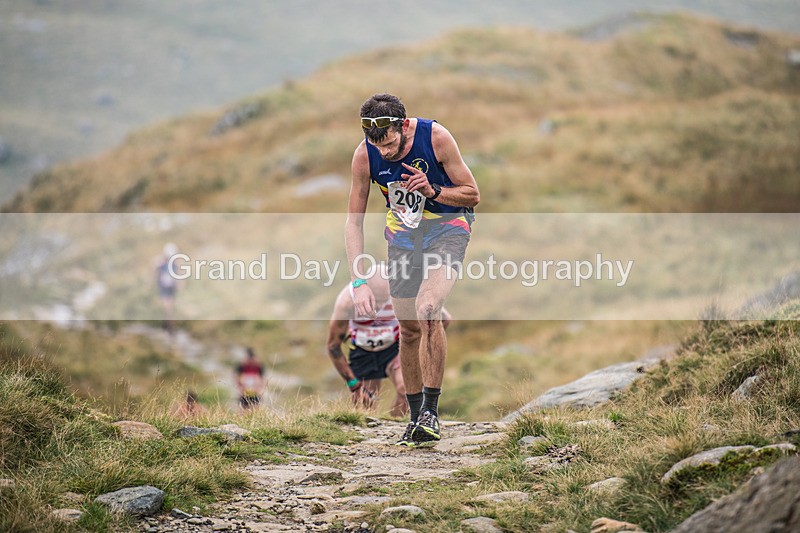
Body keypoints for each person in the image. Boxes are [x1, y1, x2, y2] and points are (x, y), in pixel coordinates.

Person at [345, 93, 480, 447]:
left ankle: (431, 414)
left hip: (448, 229)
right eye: (378, 146)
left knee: (428, 310)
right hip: (403, 238)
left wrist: (434, 190)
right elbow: (353, 223)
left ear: (403, 126)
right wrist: (358, 281)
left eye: (390, 144)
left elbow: (472, 194)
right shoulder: (365, 156)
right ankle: (415, 417)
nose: (385, 152)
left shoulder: (436, 138)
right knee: (407, 329)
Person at [326, 265, 451, 418]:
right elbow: (333, 347)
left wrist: (411, 349)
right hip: (363, 352)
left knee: (406, 390)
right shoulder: (347, 302)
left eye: (383, 300)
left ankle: (397, 424)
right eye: (375, 300)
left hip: (393, 349)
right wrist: (353, 385)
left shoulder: (403, 293)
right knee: (365, 405)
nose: (378, 307)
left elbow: (443, 319)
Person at [155, 243, 179, 334]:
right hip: (165, 287)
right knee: (168, 307)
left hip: (169, 287)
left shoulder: (173, 263)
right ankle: (168, 326)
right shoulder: (162, 262)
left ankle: (167, 326)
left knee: (168, 307)